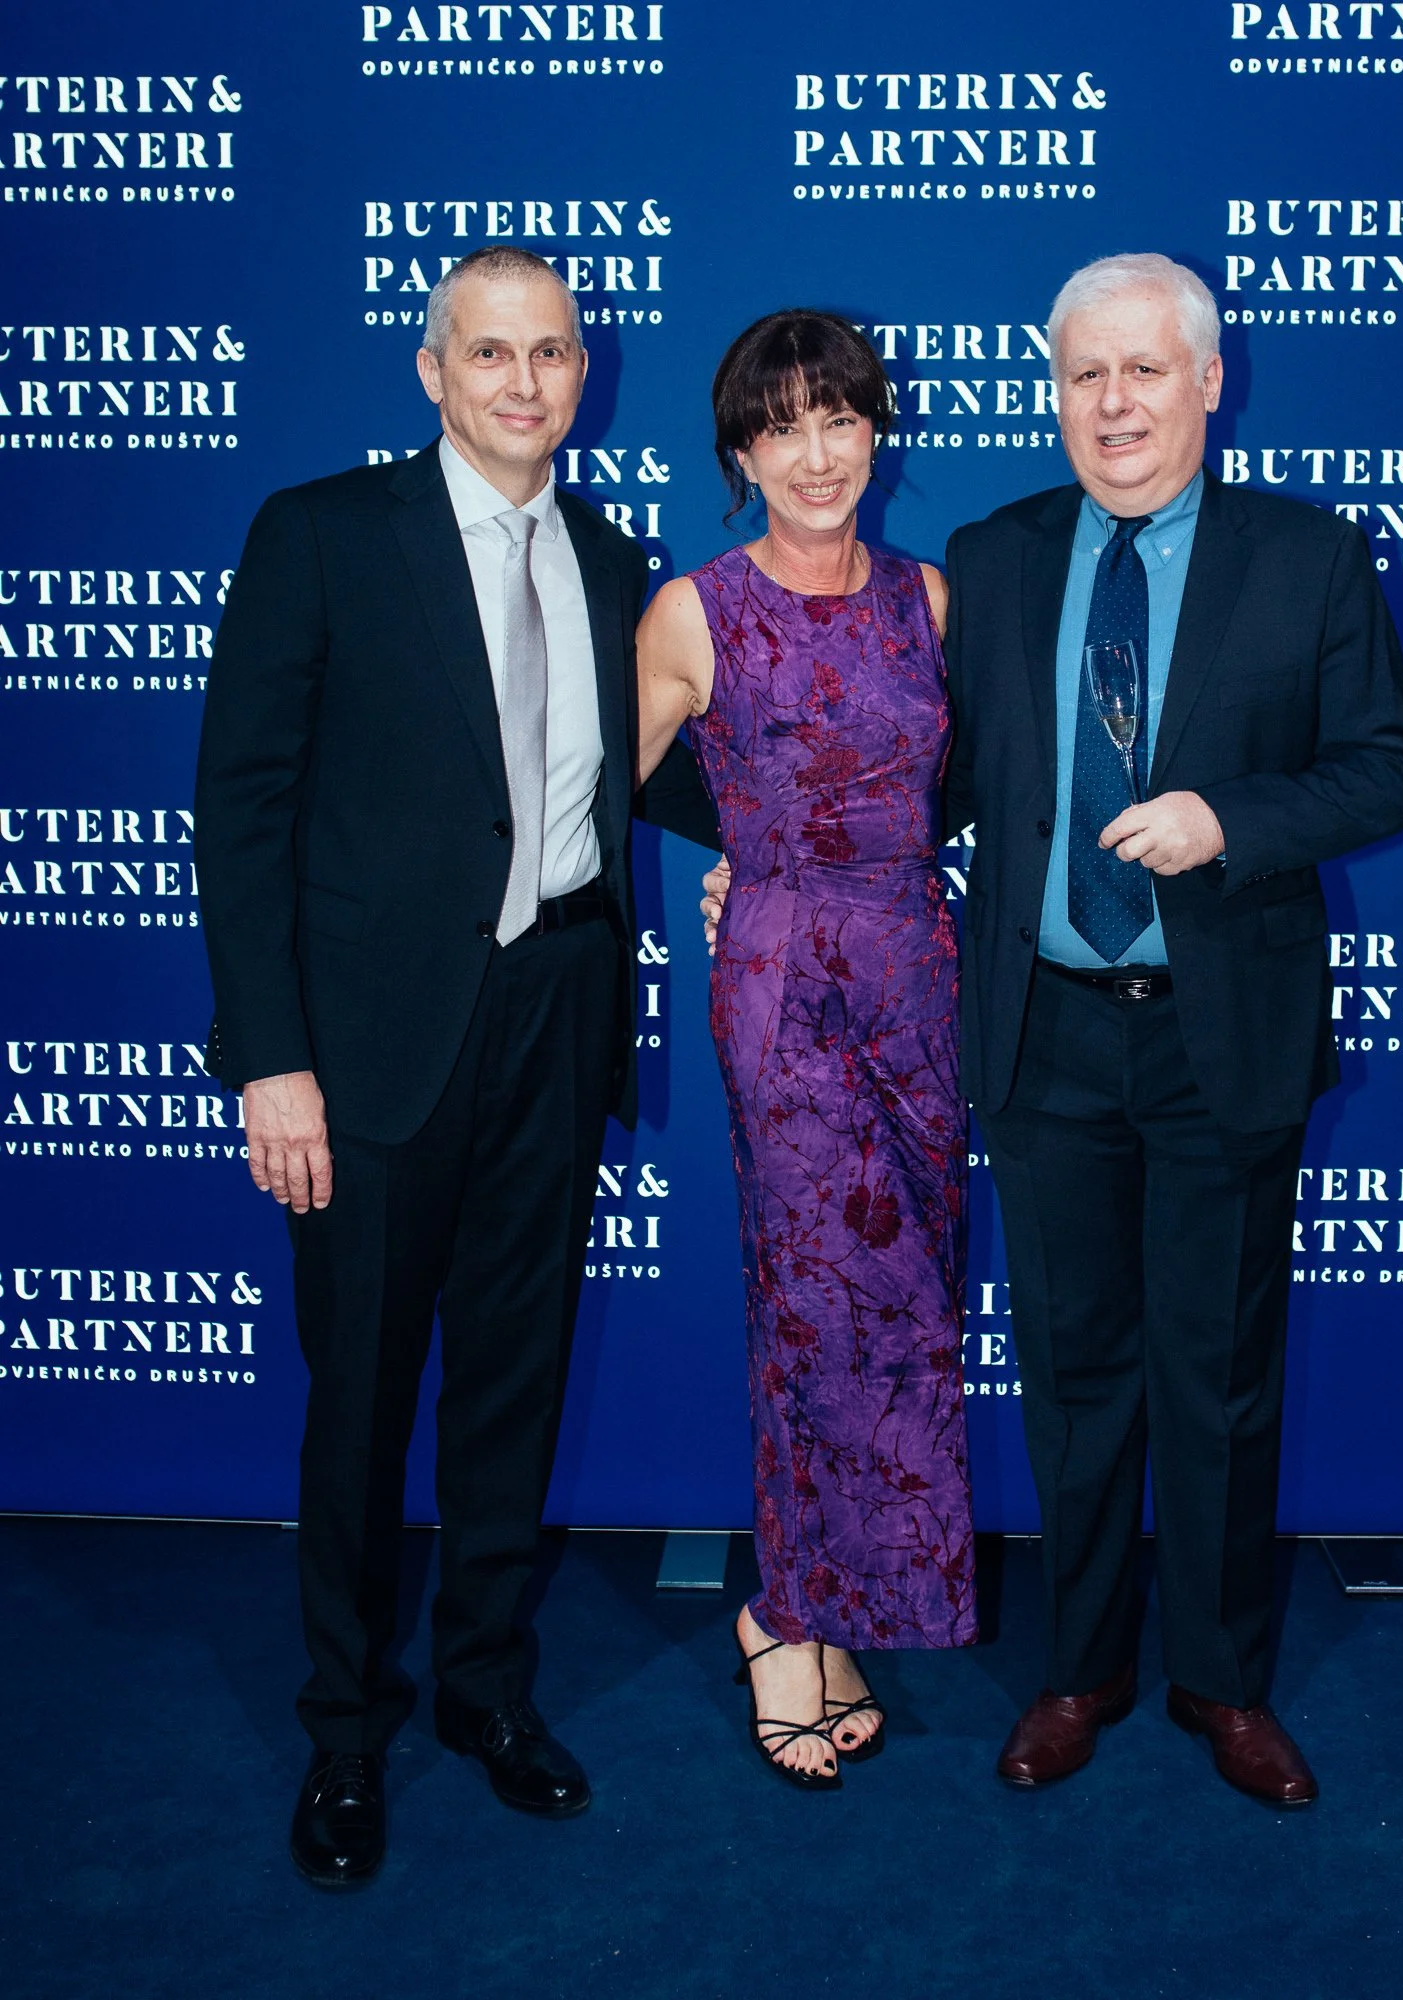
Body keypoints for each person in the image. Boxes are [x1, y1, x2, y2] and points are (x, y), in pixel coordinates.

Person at [194, 245, 719, 1887]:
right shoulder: (321, 535)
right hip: (367, 1052)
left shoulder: (621, 563)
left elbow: (672, 780)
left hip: (557, 1013)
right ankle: (346, 1731)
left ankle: (486, 1692)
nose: (520, 381)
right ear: (432, 371)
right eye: (486, 352)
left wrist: (824, 833)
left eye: (549, 351)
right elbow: (244, 813)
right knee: (355, 1401)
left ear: (585, 371)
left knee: (514, 1378)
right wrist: (271, 1063)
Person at [941, 253, 1403, 1804]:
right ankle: (1081, 1668)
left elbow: (1385, 773)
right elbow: (930, 780)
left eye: (1147, 371)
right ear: (1056, 391)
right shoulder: (995, 556)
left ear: (1210, 383)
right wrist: (776, 846)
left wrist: (1230, 818)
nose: (1117, 404)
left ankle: (1222, 1683)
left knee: (1217, 1372)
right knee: (1075, 1373)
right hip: (1047, 1034)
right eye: (1087, 375)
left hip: (1222, 1029)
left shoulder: (1311, 555)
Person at [638, 310, 977, 1789]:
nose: (818, 451)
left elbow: (956, 782)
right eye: (783, 427)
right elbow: (598, 787)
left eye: (839, 418)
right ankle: (782, 1615)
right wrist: (754, 858)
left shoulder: (933, 598)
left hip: (916, 973)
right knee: (812, 1304)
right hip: (785, 989)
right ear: (741, 453)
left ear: (875, 430)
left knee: (906, 1310)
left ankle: (835, 1605)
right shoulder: (693, 613)